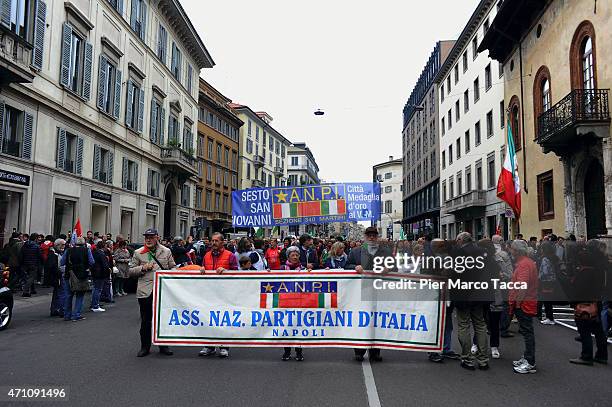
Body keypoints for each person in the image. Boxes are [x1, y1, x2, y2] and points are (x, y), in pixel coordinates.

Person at [345, 226, 393, 362]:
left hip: (379, 292)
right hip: (360, 292)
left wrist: (388, 268)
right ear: (365, 237)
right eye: (369, 235)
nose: (371, 237)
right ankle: (359, 350)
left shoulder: (385, 252)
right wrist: (354, 267)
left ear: (377, 237)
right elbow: (346, 266)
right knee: (361, 320)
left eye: (374, 235)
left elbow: (394, 266)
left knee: (377, 321)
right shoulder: (355, 252)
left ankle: (375, 351)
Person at [129, 228, 175, 357]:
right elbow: (130, 271)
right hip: (145, 291)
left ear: (157, 238)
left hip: (163, 291)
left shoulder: (166, 251)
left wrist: (172, 272)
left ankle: (163, 346)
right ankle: (145, 347)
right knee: (145, 320)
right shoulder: (138, 253)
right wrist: (143, 267)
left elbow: (173, 267)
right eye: (146, 237)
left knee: (162, 320)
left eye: (151, 237)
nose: (148, 239)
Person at [451, 232, 491, 371]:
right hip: (480, 294)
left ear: (461, 240)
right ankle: (483, 360)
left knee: (464, 325)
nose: (456, 242)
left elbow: (453, 273)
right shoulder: (483, 252)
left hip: (463, 294)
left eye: (457, 240)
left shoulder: (458, 253)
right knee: (480, 325)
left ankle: (467, 358)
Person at [568, 240, 608, 366]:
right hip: (597, 299)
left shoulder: (586, 271)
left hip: (585, 303)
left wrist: (574, 302)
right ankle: (602, 355)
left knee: (584, 330)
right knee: (598, 330)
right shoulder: (603, 265)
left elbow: (579, 290)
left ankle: (586, 356)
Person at [199, 232, 238, 358]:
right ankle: (209, 345)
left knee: (223, 319)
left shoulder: (230, 255)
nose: (214, 243)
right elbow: (203, 268)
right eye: (212, 241)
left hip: (224, 293)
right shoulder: (206, 255)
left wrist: (227, 271)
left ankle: (224, 346)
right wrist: (201, 270)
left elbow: (236, 273)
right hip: (209, 292)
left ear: (222, 242)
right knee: (208, 318)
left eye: (216, 241)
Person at [508, 239, 539, 374]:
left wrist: (518, 304)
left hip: (525, 302)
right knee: (527, 332)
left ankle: (530, 361)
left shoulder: (524, 264)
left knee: (527, 333)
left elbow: (522, 285)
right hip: (526, 301)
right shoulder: (526, 262)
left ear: (517, 251)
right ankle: (527, 357)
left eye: (512, 249)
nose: (511, 251)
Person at [281, 246, 309, 361]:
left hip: (299, 301)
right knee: (286, 327)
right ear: (288, 257)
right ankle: (287, 352)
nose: (295, 257)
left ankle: (299, 351)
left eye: (297, 255)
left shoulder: (303, 268)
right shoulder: (282, 268)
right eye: (293, 255)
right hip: (286, 301)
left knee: (299, 327)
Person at [61, 237, 94, 321]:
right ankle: (76, 314)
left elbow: (62, 262)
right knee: (80, 295)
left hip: (69, 274)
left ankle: (67, 315)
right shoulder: (87, 250)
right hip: (82, 275)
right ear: (84, 243)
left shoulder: (68, 250)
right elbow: (92, 262)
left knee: (68, 295)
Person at [538, 241, 558, 325]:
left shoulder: (545, 258)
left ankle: (549, 317)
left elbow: (545, 271)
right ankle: (550, 317)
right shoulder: (554, 257)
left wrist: (539, 276)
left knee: (546, 300)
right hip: (553, 280)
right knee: (549, 300)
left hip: (546, 281)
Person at [48, 239, 66, 317]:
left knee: (57, 293)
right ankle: (60, 309)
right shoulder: (53, 254)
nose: (64, 247)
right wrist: (59, 273)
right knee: (60, 293)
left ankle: (55, 309)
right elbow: (52, 266)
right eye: (62, 245)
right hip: (58, 276)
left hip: (57, 275)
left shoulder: (57, 253)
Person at [90, 241, 109, 312]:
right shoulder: (101, 254)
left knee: (95, 289)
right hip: (100, 273)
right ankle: (95, 305)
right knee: (98, 289)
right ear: (103, 246)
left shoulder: (94, 252)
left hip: (95, 272)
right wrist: (107, 272)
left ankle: (94, 304)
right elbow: (104, 265)